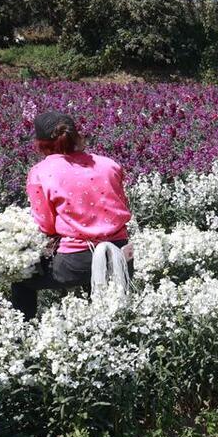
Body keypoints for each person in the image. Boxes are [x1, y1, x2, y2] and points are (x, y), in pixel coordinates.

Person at [10, 112, 133, 319]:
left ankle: (22, 333)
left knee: (22, 280)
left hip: (76, 263)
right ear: (76, 136)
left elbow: (45, 225)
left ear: (40, 143)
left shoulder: (41, 172)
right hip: (120, 255)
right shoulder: (109, 164)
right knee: (101, 291)